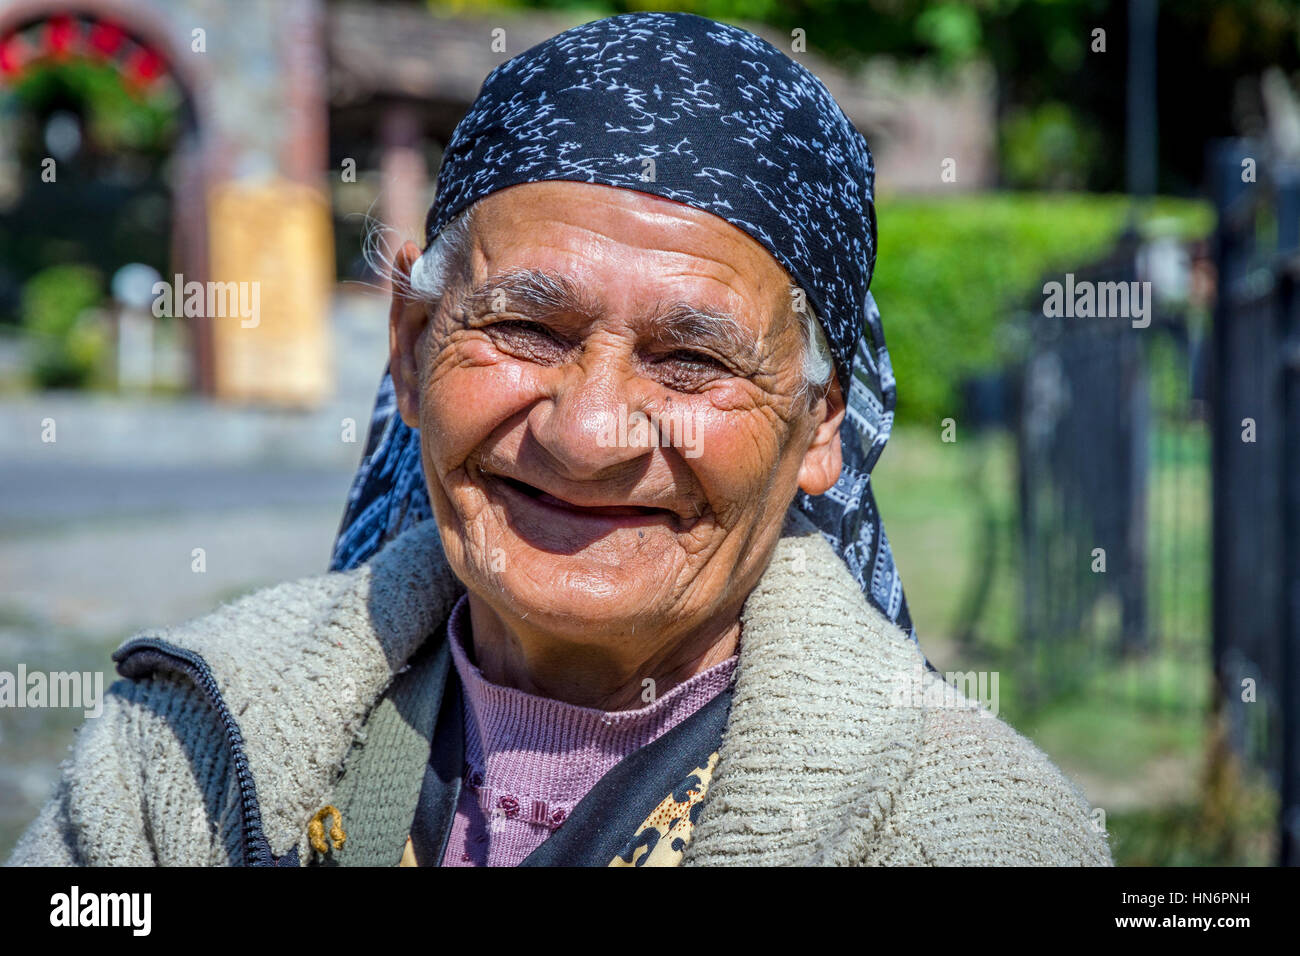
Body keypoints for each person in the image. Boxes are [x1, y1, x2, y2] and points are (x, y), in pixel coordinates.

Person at [7, 12, 1111, 867]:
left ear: (819, 424)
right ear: (412, 347)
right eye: (524, 328)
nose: (587, 435)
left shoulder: (966, 829)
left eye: (693, 359)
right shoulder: (189, 745)